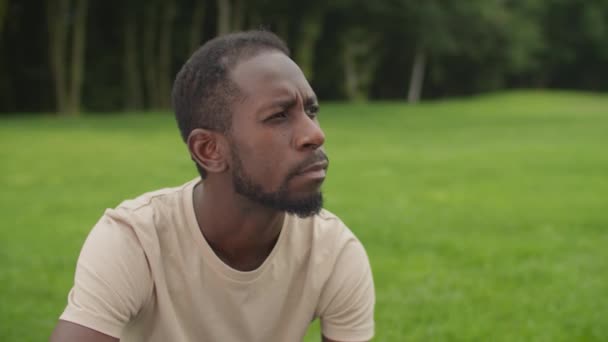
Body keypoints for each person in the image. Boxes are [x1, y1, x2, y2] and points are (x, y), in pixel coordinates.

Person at [50, 30, 375, 342]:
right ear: (209, 150)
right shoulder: (136, 241)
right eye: (279, 116)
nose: (315, 135)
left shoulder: (332, 252)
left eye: (311, 110)